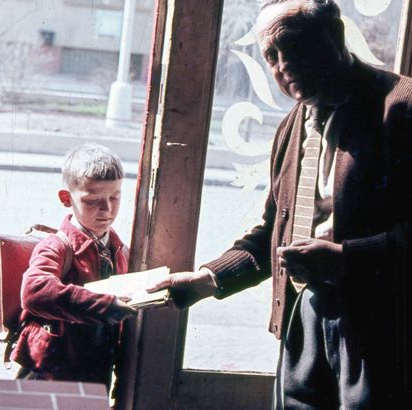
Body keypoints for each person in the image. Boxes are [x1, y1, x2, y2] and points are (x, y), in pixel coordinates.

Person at [148, 0, 412, 408]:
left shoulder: (402, 106)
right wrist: (205, 282)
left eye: (294, 45)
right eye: (271, 55)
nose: (283, 65)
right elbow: (273, 236)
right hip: (302, 323)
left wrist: (348, 260)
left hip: (385, 336)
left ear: (335, 37)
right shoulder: (292, 126)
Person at [11, 143, 137, 391]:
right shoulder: (57, 246)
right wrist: (104, 305)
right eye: (92, 200)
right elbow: (34, 290)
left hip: (94, 374)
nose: (107, 209)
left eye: (115, 197)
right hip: (47, 377)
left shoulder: (120, 250)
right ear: (66, 198)